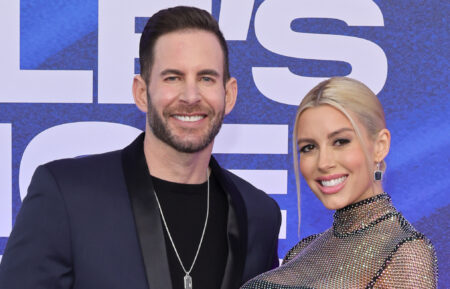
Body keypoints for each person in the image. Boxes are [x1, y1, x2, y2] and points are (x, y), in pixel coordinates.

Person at [0, 6, 281, 289]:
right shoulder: (66, 195)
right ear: (141, 92)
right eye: (173, 77)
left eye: (206, 78)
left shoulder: (259, 214)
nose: (191, 96)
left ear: (228, 95)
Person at [241, 77, 438, 288]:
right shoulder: (302, 250)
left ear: (380, 146)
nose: (323, 162)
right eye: (309, 147)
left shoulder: (403, 251)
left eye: (341, 141)